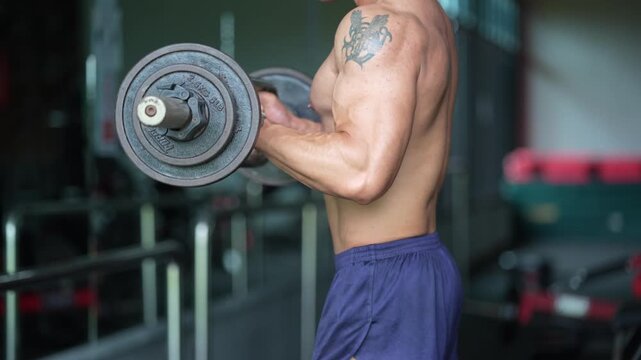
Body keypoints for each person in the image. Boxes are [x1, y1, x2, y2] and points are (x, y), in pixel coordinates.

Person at [256, 0, 461, 358]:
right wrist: (279, 126)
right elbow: (371, 140)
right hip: (415, 267)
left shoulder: (380, 24)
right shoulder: (431, 17)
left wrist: (252, 131)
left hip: (380, 282)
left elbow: (361, 172)